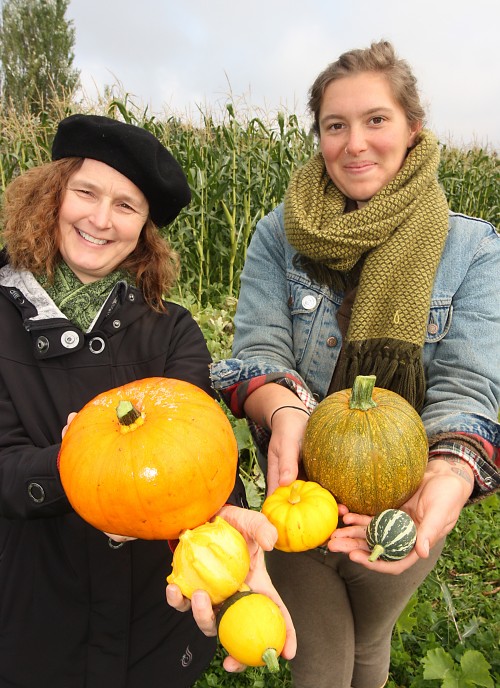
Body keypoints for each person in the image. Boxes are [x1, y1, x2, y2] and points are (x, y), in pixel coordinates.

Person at [211, 40, 500, 688]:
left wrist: (451, 470)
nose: (355, 143)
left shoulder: (474, 248)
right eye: (335, 125)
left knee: (370, 640)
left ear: (413, 128)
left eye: (376, 120)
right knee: (321, 662)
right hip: (299, 484)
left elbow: (469, 382)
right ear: (318, 136)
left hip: (404, 492)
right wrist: (286, 412)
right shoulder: (278, 234)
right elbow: (258, 349)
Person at [0, 113, 295, 688]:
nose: (101, 219)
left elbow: (201, 456)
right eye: (86, 192)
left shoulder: (172, 331)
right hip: (31, 615)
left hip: (152, 623)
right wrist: (77, 469)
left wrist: (223, 527)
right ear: (52, 192)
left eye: (127, 206)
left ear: (145, 231)